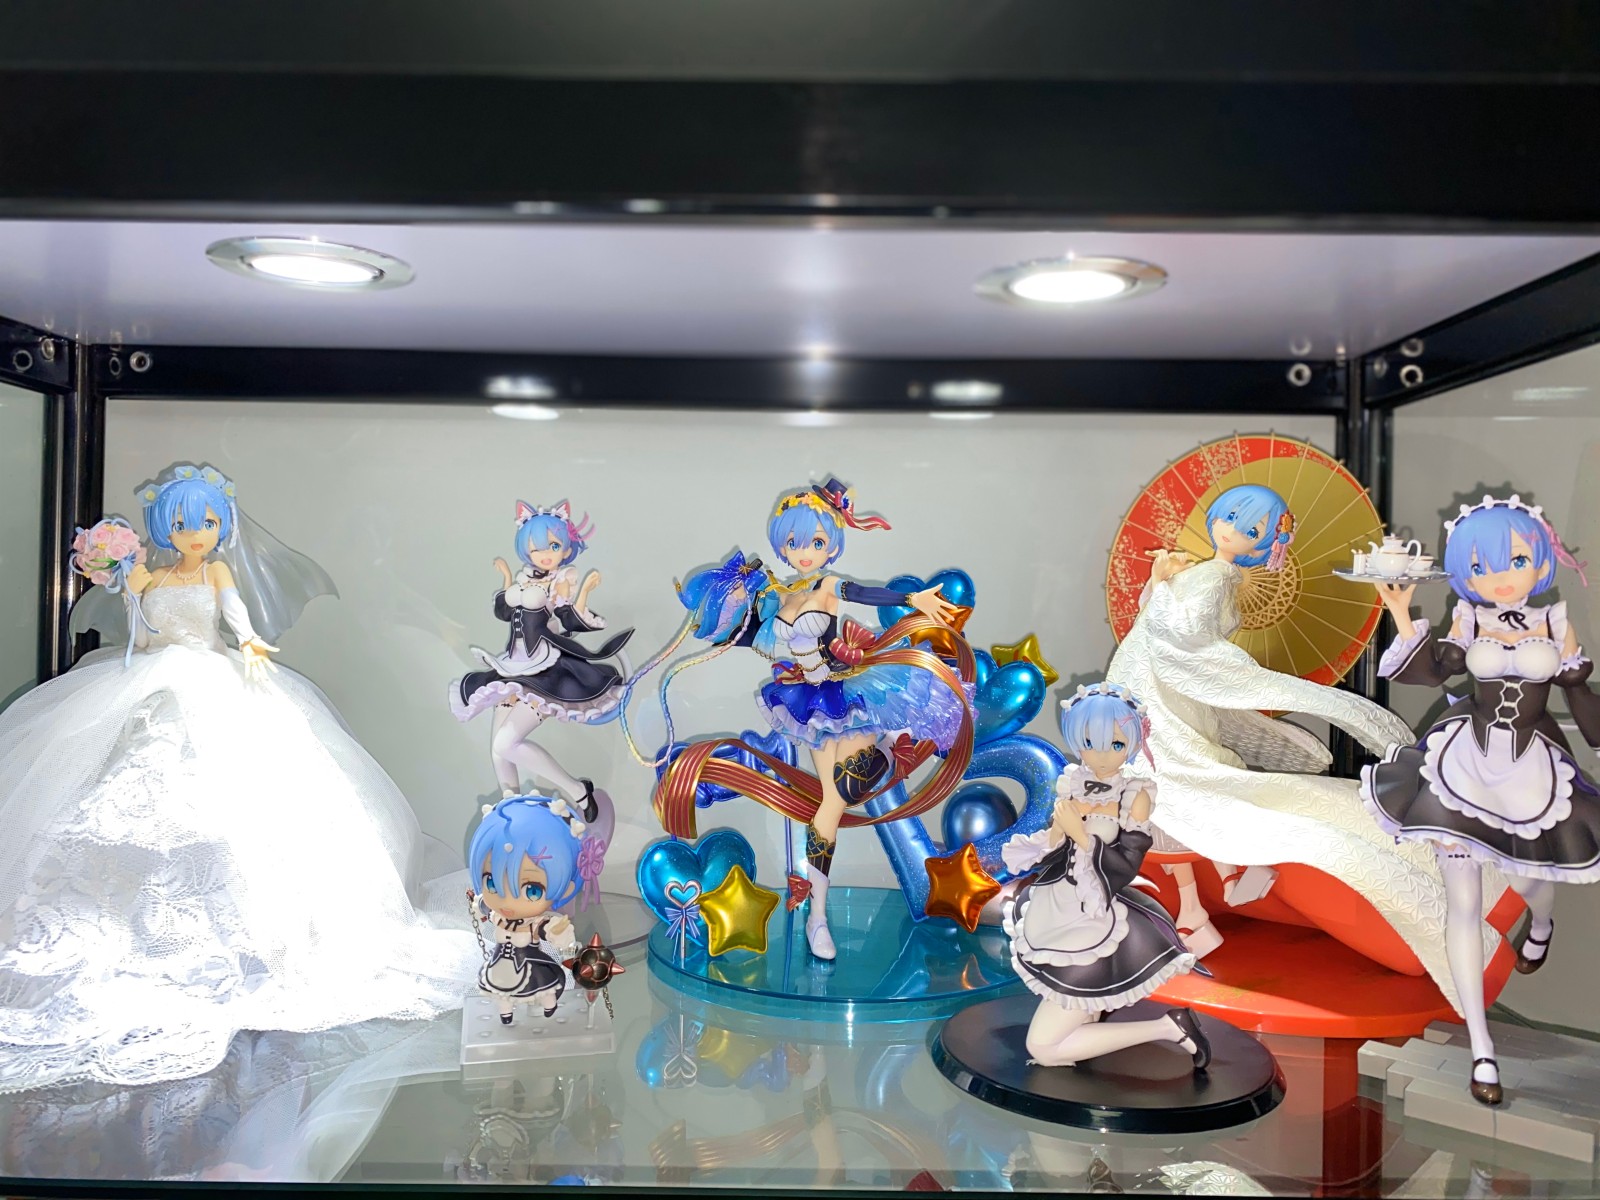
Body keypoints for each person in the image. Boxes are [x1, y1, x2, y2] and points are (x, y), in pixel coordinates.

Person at [0, 463, 478, 1092]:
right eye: (181, 522)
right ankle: (116, 925)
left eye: (205, 521)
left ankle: (238, 935)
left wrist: (249, 642)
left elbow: (233, 615)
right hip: (147, 684)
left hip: (212, 679)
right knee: (125, 797)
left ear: (220, 525)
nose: (195, 533)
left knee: (236, 803)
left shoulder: (217, 572)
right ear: (162, 527)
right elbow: (139, 629)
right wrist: (121, 579)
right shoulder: (151, 575)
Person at [1105, 482, 1514, 1012]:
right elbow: (1164, 627)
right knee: (1172, 784)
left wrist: (1163, 589)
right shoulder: (1210, 575)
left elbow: (1182, 634)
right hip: (1155, 690)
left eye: (1252, 530)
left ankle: (1222, 885)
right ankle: (1209, 893)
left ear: (1261, 544)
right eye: (1231, 518)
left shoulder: (1216, 576)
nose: (1233, 531)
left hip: (1159, 696)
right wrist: (1160, 584)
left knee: (1177, 785)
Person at [1363, 494, 1600, 1106]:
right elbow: (1434, 670)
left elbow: (1580, 699)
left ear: (1540, 561)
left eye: (1514, 560)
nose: (1498, 577)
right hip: (1464, 765)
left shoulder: (1556, 621)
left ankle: (1540, 922)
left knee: (1529, 881)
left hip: (1530, 769)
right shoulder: (1468, 617)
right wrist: (1402, 614)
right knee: (1462, 903)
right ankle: (1481, 1047)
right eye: (1480, 565)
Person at [1002, 683, 1210, 1069]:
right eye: (1088, 742)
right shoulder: (1073, 780)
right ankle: (1088, 1045)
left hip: (1094, 921)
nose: (1100, 756)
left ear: (1132, 744)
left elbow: (1128, 862)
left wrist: (1081, 833)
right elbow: (1054, 848)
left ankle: (1169, 1028)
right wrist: (1060, 829)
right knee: (1079, 1013)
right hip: (1057, 910)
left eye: (1115, 745)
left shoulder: (1135, 795)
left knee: (1043, 1047)